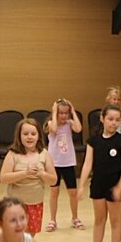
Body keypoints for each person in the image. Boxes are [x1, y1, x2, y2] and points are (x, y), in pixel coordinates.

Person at [0, 118, 55, 242]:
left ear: (38, 135)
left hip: (35, 205)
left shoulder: (44, 154)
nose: (29, 137)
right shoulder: (13, 154)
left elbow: (53, 180)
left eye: (33, 133)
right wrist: (24, 173)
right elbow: (3, 178)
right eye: (25, 134)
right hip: (15, 207)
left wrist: (41, 173)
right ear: (19, 136)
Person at [78, 104, 121, 242]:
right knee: (99, 220)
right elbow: (87, 164)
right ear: (102, 118)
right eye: (110, 119)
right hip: (98, 184)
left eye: (117, 120)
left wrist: (120, 187)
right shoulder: (94, 141)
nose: (114, 123)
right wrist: (81, 185)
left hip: (114, 185)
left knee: (115, 221)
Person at [45, 98, 83, 232]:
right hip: (54, 163)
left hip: (68, 162)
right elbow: (54, 129)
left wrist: (73, 111)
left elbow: (78, 128)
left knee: (72, 192)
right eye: (61, 113)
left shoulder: (70, 123)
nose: (63, 116)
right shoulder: (51, 123)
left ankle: (75, 218)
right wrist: (54, 111)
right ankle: (52, 220)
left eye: (66, 113)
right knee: (54, 191)